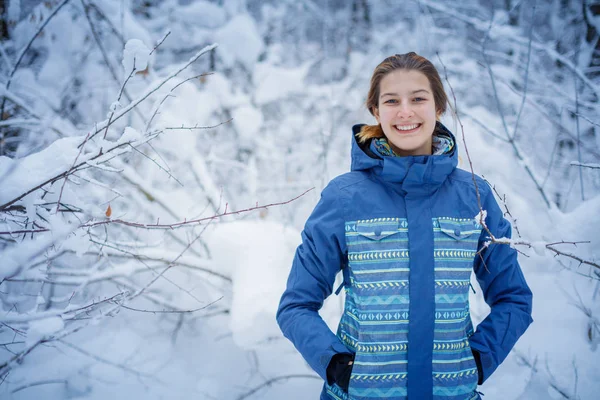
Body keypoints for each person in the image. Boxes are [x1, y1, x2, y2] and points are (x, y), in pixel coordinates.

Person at [276, 52, 533, 400]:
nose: (405, 111)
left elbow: (514, 297)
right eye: (391, 101)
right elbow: (295, 305)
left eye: (418, 99)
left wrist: (479, 360)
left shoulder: (473, 196)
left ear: (439, 107)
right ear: (376, 111)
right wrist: (335, 364)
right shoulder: (344, 198)